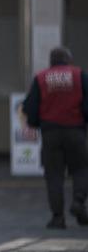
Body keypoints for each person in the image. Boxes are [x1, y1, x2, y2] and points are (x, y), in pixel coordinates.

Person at [23, 47, 88, 229]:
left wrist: (35, 123)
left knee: (54, 176)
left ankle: (58, 218)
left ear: (51, 61)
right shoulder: (79, 75)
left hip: (51, 133)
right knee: (81, 169)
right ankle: (78, 201)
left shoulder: (41, 78)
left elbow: (30, 106)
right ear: (68, 59)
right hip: (76, 131)